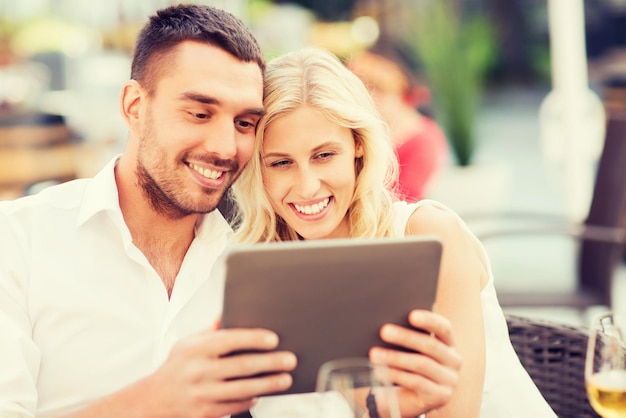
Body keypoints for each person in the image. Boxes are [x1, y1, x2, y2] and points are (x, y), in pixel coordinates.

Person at [0, 4, 460, 418]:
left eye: (244, 123)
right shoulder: (20, 242)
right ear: (135, 107)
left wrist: (387, 409)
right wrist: (153, 403)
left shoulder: (268, 268)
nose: (224, 147)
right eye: (199, 113)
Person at [231, 47, 559, 418]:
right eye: (281, 163)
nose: (307, 186)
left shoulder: (428, 236)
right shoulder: (257, 276)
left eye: (324, 155)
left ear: (357, 146)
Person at [345, 50, 449, 202]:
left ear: (399, 90)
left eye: (377, 92)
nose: (372, 101)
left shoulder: (424, 140)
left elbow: (408, 197)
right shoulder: (377, 131)